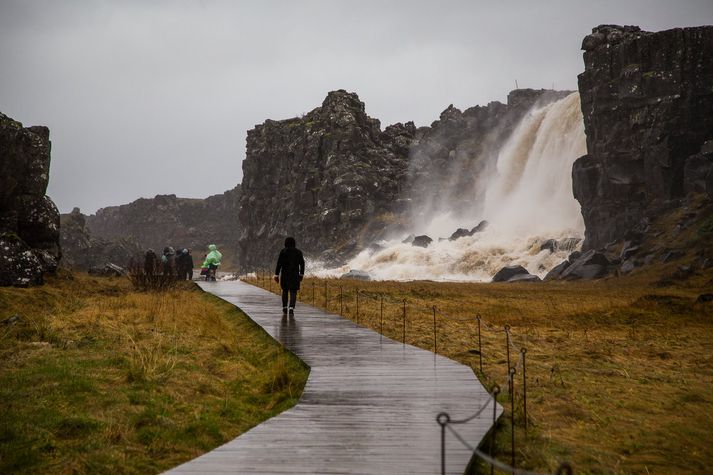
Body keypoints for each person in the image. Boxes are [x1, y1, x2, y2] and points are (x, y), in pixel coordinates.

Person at [273, 237, 305, 315]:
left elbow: (279, 264)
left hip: (285, 275)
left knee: (285, 291)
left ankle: (284, 307)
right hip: (295, 275)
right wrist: (301, 274)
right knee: (293, 291)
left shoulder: (283, 251)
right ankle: (291, 308)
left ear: (286, 243)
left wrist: (276, 275)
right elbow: (302, 264)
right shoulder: (298, 252)